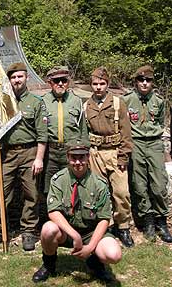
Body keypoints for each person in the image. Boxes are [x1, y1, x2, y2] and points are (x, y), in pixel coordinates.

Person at [32, 143, 122, 283]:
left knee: (114, 254)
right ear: (68, 158)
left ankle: (95, 262)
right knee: (48, 229)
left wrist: (90, 246)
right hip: (66, 232)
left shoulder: (99, 183)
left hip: (90, 232)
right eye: (74, 158)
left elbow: (104, 219)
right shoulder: (58, 180)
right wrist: (75, 236)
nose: (78, 162)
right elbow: (53, 211)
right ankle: (49, 265)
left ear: (88, 157)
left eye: (82, 157)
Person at [0, 62, 48, 251]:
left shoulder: (36, 102)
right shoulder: (2, 102)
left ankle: (28, 231)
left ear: (26, 77)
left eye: (20, 76)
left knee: (32, 194)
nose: (17, 80)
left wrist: (39, 158)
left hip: (30, 153)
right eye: (13, 77)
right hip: (6, 154)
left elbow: (42, 134)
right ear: (9, 80)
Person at [84, 67, 134, 248]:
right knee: (100, 192)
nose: (98, 87)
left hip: (114, 152)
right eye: (95, 84)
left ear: (108, 84)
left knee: (121, 192)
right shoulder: (87, 105)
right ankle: (105, 226)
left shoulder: (118, 103)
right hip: (95, 153)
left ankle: (123, 226)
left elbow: (126, 133)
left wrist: (123, 157)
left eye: (102, 84)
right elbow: (85, 131)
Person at [123, 65, 172, 243]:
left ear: (152, 82)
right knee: (139, 184)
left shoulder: (158, 101)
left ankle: (162, 220)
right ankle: (148, 220)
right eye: (141, 80)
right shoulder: (127, 100)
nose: (144, 83)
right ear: (135, 82)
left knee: (159, 184)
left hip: (154, 143)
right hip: (135, 143)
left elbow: (159, 122)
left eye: (148, 80)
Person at [42, 66, 89, 194]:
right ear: (50, 83)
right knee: (48, 188)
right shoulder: (43, 102)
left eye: (64, 80)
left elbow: (82, 128)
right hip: (50, 153)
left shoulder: (76, 101)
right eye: (57, 81)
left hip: (71, 152)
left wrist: (85, 153)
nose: (60, 84)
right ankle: (50, 213)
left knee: (72, 187)